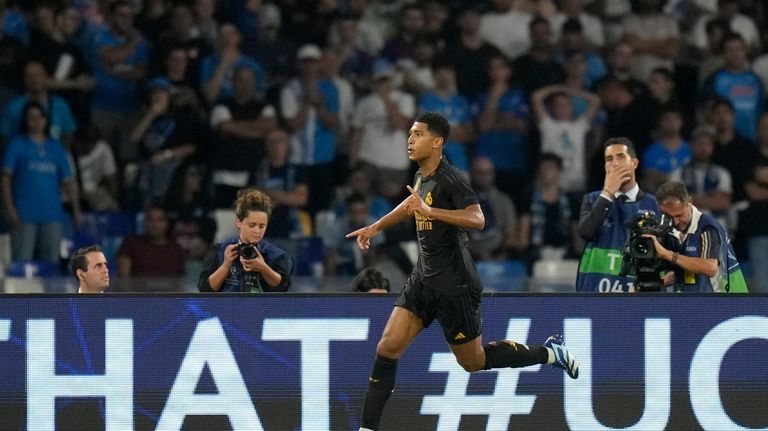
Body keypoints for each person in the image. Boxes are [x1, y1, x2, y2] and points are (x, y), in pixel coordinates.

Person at [346, 112, 578, 431]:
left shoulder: (451, 178)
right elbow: (411, 206)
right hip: (423, 280)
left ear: (437, 142)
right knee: (387, 347)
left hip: (455, 286)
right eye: (410, 134)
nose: (410, 140)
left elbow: (477, 218)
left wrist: (431, 212)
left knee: (473, 362)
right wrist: (375, 226)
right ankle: (367, 428)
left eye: (417, 134)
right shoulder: (421, 175)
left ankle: (549, 353)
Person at [1, 101, 82, 264]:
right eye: (32, 118)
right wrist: (9, 208)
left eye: (40, 117)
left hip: (52, 215)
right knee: (22, 263)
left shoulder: (56, 148)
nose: (36, 122)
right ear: (26, 121)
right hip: (24, 214)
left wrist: (76, 210)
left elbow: (69, 182)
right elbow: (5, 178)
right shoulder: (17, 144)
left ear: (45, 120)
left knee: (51, 265)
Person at [576, 137, 659, 292]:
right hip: (595, 293)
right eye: (609, 159)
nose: (615, 163)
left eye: (621, 157)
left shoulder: (655, 205)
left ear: (634, 163)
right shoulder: (592, 199)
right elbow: (586, 232)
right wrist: (607, 193)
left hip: (638, 295)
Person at [645, 181, 748, 292]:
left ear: (689, 201)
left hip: (727, 301)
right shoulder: (667, 229)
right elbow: (690, 266)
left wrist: (667, 254)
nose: (675, 221)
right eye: (668, 216)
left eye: (679, 215)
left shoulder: (707, 227)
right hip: (695, 299)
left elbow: (710, 268)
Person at [198, 187, 292, 293]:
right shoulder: (219, 250)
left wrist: (263, 268)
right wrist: (225, 266)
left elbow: (283, 287)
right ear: (239, 222)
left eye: (262, 226)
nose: (257, 231)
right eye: (252, 225)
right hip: (226, 308)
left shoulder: (276, 255)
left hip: (261, 308)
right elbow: (204, 289)